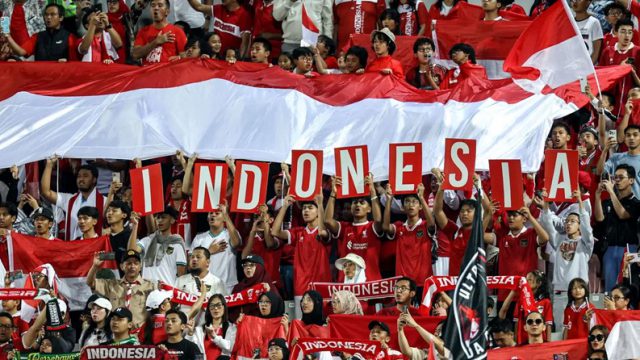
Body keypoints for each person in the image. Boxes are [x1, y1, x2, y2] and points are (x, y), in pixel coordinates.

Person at [538, 189, 593, 329]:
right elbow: (548, 225)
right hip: (560, 293)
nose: (568, 224)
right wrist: (546, 204)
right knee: (561, 330)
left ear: (579, 226)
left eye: (573, 221)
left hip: (579, 294)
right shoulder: (558, 241)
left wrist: (580, 201)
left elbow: (587, 226)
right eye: (567, 221)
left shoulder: (586, 243)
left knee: (581, 329)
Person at [271, 194, 330, 308]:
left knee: (322, 324)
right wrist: (284, 207)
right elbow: (275, 232)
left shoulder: (325, 232)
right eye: (304, 208)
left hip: (322, 286)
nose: (306, 211)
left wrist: (320, 204)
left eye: (310, 208)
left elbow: (323, 232)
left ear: (318, 211)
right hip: (301, 287)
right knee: (301, 323)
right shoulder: (298, 232)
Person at [325, 175, 384, 281]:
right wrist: (333, 193)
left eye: (362, 202)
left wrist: (372, 191)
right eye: (355, 202)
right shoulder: (344, 228)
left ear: (369, 209)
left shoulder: (372, 227)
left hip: (370, 282)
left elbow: (379, 220)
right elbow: (327, 221)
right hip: (347, 281)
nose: (358, 205)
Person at [432, 171, 492, 276]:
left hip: (471, 283)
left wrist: (479, 187)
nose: (464, 214)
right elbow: (438, 212)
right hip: (454, 283)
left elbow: (488, 211)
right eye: (462, 211)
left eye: (469, 211)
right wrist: (442, 187)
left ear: (477, 213)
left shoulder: (478, 231)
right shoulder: (454, 232)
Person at [594, 163, 640, 291]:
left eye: (621, 177)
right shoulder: (608, 202)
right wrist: (597, 195)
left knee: (628, 286)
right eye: (615, 178)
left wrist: (611, 192)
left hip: (629, 249)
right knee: (610, 287)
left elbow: (623, 214)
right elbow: (599, 218)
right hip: (610, 248)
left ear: (631, 180)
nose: (617, 181)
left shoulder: (636, 203)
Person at [88, 249, 156, 329]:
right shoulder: (112, 285)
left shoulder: (151, 286)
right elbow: (90, 283)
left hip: (139, 335)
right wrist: (95, 266)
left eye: (136, 263)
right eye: (129, 263)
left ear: (140, 267)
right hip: (117, 333)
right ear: (122, 266)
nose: (132, 266)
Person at [383, 183, 435, 287]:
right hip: (403, 283)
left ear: (420, 206)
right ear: (402, 207)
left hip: (423, 282)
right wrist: (389, 200)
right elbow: (385, 227)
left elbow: (432, 224)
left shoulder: (425, 225)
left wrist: (421, 197)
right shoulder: (399, 227)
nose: (411, 204)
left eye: (414, 202)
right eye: (407, 201)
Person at [41, 158, 105, 240]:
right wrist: (49, 165)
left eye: (85, 176)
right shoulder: (69, 199)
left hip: (94, 249)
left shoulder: (104, 201)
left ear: (94, 179)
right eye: (79, 176)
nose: (81, 179)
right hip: (73, 249)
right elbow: (46, 192)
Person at [128, 207, 187, 285]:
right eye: (158, 217)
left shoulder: (177, 245)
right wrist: (135, 226)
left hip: (167, 292)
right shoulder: (147, 241)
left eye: (163, 217)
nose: (160, 220)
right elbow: (131, 252)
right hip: (146, 290)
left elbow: (181, 276)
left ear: (172, 220)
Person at [190, 204, 241, 293]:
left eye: (217, 213)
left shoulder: (230, 234)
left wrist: (226, 215)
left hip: (227, 286)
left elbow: (237, 243)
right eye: (210, 213)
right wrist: (208, 251)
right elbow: (191, 265)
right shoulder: (199, 238)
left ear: (224, 218)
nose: (213, 215)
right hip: (204, 286)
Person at [4, 4, 76, 61]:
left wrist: (67, 62)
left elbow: (74, 62)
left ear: (61, 18)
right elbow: (21, 52)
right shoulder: (37, 36)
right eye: (46, 14)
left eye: (52, 14)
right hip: (40, 77)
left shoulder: (69, 37)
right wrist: (7, 35)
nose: (48, 17)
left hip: (62, 77)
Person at [499, 271, 553, 343]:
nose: (526, 282)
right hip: (522, 341)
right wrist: (516, 340)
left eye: (530, 280)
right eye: (526, 280)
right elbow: (516, 322)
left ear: (539, 283)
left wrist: (549, 342)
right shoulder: (520, 301)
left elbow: (548, 324)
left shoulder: (546, 302)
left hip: (539, 341)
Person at [186, 0, 252, 57]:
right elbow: (198, 7)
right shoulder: (219, 8)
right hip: (215, 56)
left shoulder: (244, 15)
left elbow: (245, 42)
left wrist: (239, 61)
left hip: (230, 59)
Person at [598, 19, 640, 105]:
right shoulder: (607, 51)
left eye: (630, 32)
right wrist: (620, 69)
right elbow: (601, 78)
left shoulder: (638, 52)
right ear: (616, 33)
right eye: (623, 32)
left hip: (631, 103)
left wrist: (633, 73)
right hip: (610, 102)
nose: (627, 35)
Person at [132, 0, 187, 64]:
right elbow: (135, 55)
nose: (156, 8)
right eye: (153, 5)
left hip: (168, 72)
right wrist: (155, 42)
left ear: (167, 11)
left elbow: (186, 57)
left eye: (160, 5)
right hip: (148, 72)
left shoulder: (177, 31)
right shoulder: (143, 31)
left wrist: (179, 57)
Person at [229, 255, 274, 321]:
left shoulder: (268, 286)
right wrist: (236, 318)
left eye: (251, 265)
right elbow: (230, 311)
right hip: (242, 327)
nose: (248, 268)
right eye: (245, 265)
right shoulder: (238, 288)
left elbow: (277, 311)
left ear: (260, 268)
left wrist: (269, 294)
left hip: (263, 326)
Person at [600, 124, 640, 198]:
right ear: (624, 139)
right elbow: (600, 172)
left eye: (635, 135)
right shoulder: (615, 157)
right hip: (617, 205)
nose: (631, 138)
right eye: (628, 135)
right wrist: (605, 150)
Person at [200, 294, 236, 358]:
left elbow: (232, 347)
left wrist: (215, 337)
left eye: (218, 305)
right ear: (209, 309)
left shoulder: (231, 328)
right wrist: (190, 334)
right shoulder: (201, 329)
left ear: (224, 307)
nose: (215, 308)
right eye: (212, 306)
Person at [573, 0, 603, 64]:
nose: (575, 2)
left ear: (588, 2)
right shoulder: (569, 22)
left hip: (588, 68)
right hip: (573, 68)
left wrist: (588, 68)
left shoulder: (594, 22)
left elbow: (596, 52)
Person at [105, 200, 131, 270]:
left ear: (124, 215)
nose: (109, 213)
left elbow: (129, 256)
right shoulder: (103, 237)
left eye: (114, 211)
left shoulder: (130, 237)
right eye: (108, 211)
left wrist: (104, 256)